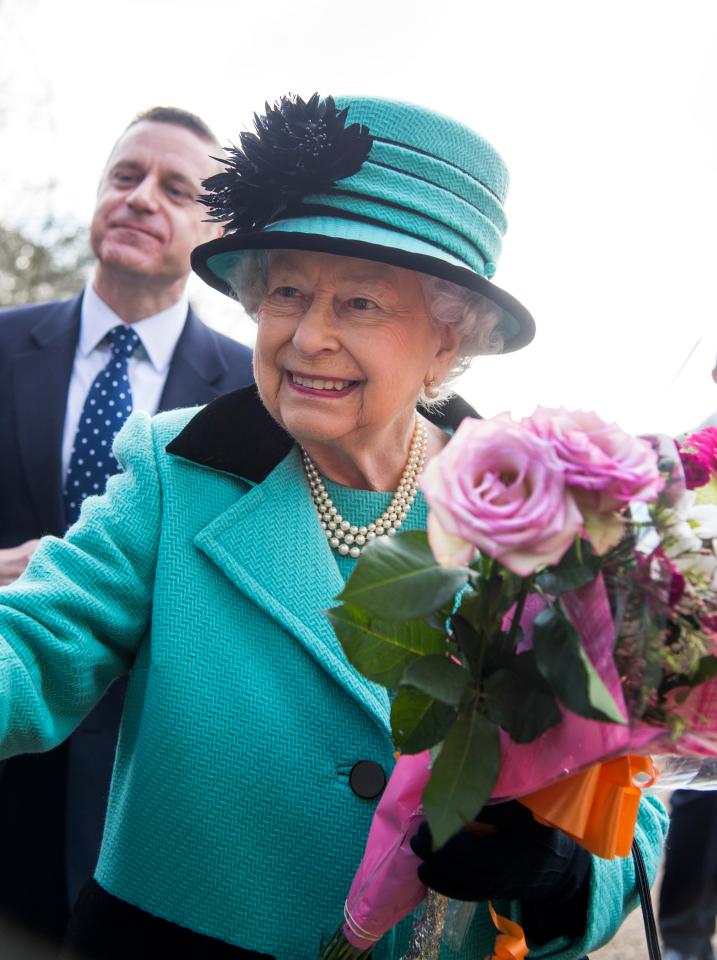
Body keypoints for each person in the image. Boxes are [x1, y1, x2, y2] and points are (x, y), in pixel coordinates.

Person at [0, 93, 666, 960]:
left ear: (444, 343)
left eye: (360, 304)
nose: (307, 337)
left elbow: (634, 803)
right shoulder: (180, 468)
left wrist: (566, 874)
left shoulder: (539, 517)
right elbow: (36, 641)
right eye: (287, 292)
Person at [0, 106, 253, 945]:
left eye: (177, 189)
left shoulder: (255, 400)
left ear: (215, 229)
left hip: (146, 808)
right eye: (125, 176)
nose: (142, 198)